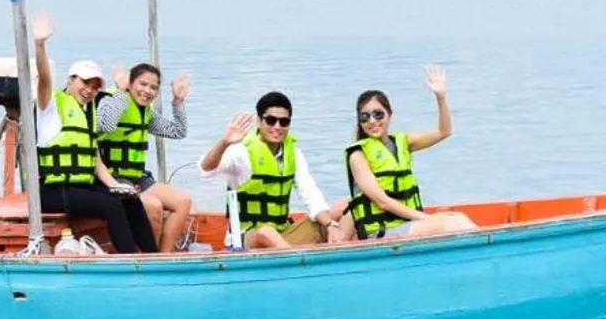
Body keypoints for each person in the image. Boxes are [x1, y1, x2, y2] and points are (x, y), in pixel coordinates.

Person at [29, 12, 158, 254]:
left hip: (84, 186)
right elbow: (44, 78)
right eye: (84, 83)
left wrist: (116, 184)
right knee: (112, 207)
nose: (89, 90)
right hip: (55, 190)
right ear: (70, 80)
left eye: (94, 86)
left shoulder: (88, 113)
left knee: (130, 199)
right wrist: (40, 44)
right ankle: (132, 262)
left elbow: (95, 159)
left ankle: (155, 256)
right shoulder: (51, 107)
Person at [198, 91, 351, 249]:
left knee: (346, 206)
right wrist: (224, 142)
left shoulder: (293, 154)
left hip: (282, 234)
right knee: (266, 232)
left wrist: (330, 225)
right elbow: (206, 169)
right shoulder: (242, 151)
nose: (277, 127)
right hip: (246, 238)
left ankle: (343, 255)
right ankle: (297, 264)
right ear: (259, 121)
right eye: (271, 121)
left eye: (283, 122)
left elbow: (310, 193)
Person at [344, 65, 479, 241]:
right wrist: (427, 219)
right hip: (381, 232)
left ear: (389, 114)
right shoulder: (357, 155)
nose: (372, 121)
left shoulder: (403, 143)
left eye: (378, 114)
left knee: (458, 217)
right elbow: (382, 201)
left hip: (407, 225)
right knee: (449, 224)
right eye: (365, 117)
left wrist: (441, 96)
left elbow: (444, 131)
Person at [95, 62, 193, 252]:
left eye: (153, 87)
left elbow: (178, 131)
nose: (147, 91)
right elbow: (104, 125)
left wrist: (178, 102)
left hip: (138, 177)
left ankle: (162, 257)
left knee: (183, 200)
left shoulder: (146, 112)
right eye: (142, 84)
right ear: (130, 83)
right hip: (112, 178)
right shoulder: (111, 99)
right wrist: (121, 92)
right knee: (154, 205)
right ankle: (149, 257)